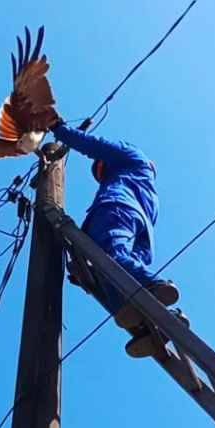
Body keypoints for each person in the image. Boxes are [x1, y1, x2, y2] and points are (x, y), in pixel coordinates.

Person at [50, 118, 186, 357]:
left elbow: (93, 144)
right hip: (141, 233)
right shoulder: (147, 189)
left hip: (118, 210)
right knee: (111, 278)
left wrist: (58, 129)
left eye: (100, 170)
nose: (101, 176)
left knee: (110, 259)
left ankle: (154, 284)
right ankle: (150, 327)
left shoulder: (130, 156)